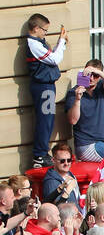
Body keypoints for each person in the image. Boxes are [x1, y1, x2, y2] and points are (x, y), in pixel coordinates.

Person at [24, 13, 67, 168]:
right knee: (45, 120)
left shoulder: (39, 43)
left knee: (48, 120)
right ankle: (40, 155)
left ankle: (42, 153)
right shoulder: (33, 44)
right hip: (42, 86)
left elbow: (52, 57)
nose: (45, 33)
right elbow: (54, 59)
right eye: (44, 30)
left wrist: (60, 43)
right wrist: (61, 42)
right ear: (35, 28)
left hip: (47, 85)